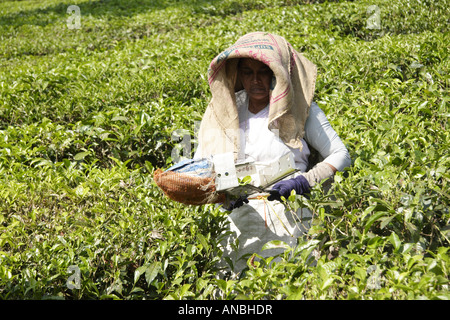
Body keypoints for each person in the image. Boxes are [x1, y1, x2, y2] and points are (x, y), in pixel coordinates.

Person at [194, 32, 351, 277]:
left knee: (293, 281)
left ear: (277, 73)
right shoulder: (223, 111)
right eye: (247, 72)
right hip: (236, 222)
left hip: (289, 217)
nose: (255, 80)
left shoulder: (299, 109)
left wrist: (305, 181)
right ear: (237, 73)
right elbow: (200, 165)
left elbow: (341, 154)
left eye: (263, 72)